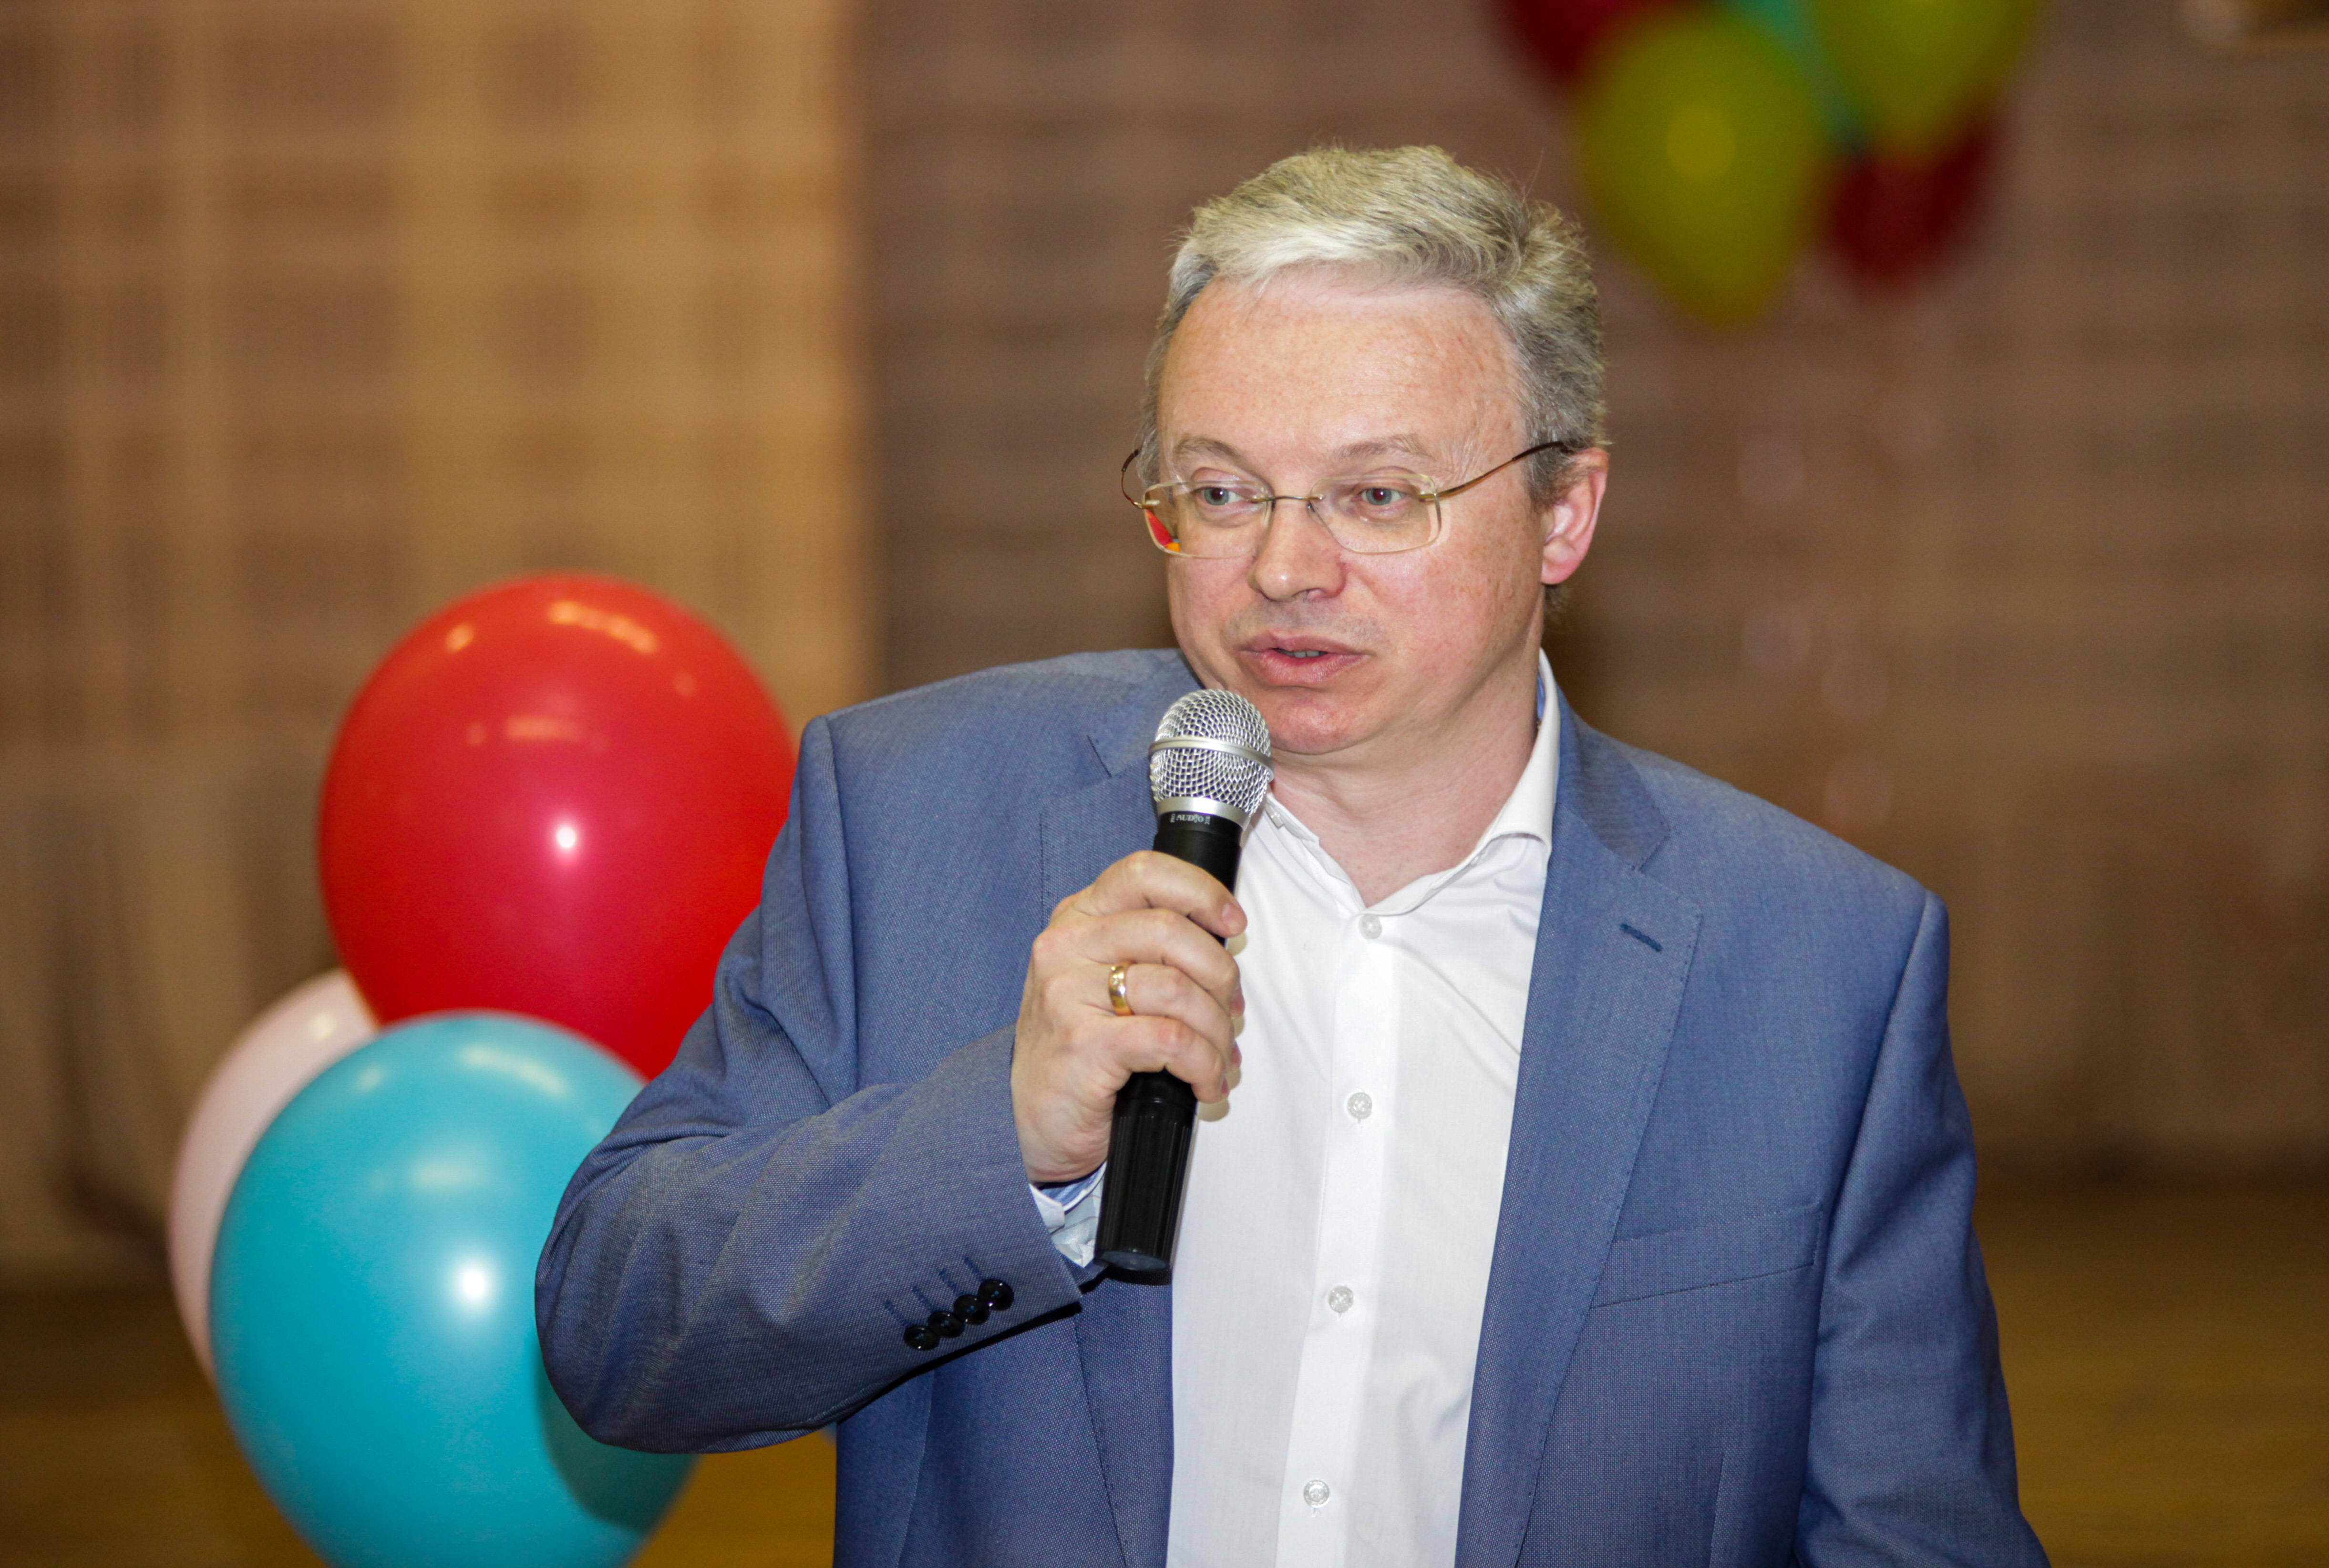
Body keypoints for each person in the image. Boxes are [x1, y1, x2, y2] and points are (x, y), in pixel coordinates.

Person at [536, 145, 2047, 1568]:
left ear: (1565, 511)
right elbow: (616, 1326)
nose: (1283, 567)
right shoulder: (912, 816)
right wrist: (997, 1136)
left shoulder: (1817, 965)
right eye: (1221, 490)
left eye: (1378, 495)